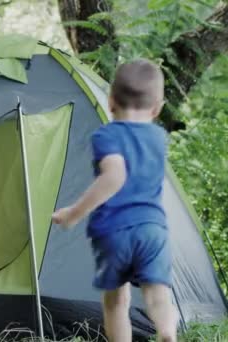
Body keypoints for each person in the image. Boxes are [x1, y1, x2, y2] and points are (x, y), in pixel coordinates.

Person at [51, 59, 177, 342]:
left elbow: (114, 176)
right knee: (158, 295)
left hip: (115, 231)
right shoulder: (158, 137)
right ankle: (167, 331)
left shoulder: (107, 134)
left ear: (110, 102)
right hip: (153, 230)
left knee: (116, 302)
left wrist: (73, 213)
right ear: (157, 108)